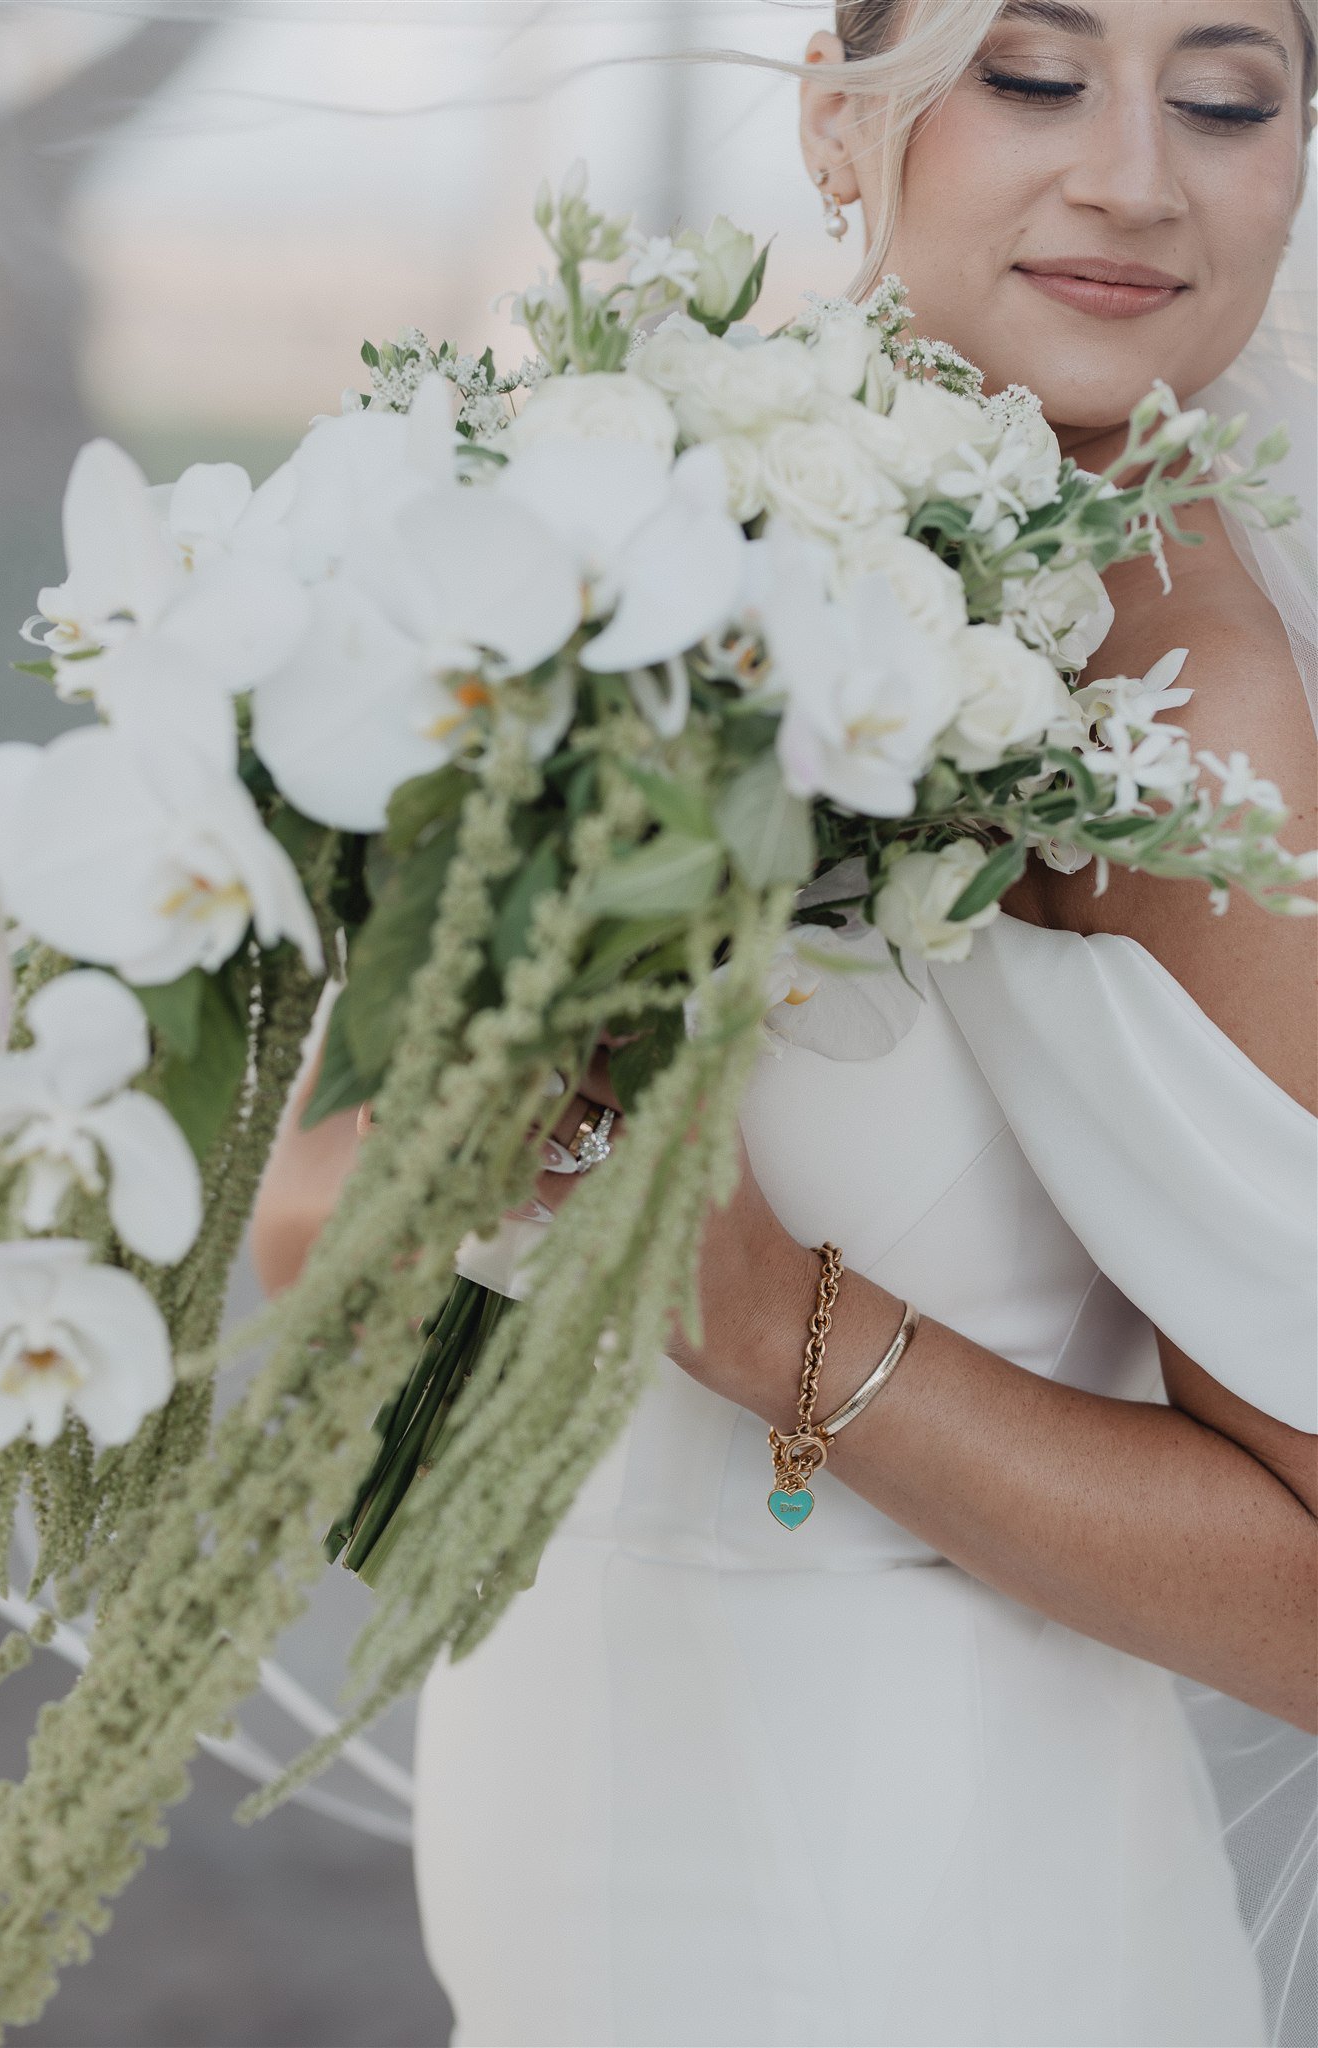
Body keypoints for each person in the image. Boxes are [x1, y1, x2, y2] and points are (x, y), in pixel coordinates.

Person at [251, 2, 1318, 2040]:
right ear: (844, 127)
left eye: (1226, 95)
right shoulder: (616, 534)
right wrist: (512, 1122)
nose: (1135, 173)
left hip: (930, 1933)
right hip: (562, 1849)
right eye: (1032, 70)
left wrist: (768, 1317)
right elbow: (308, 1222)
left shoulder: (1197, 717)